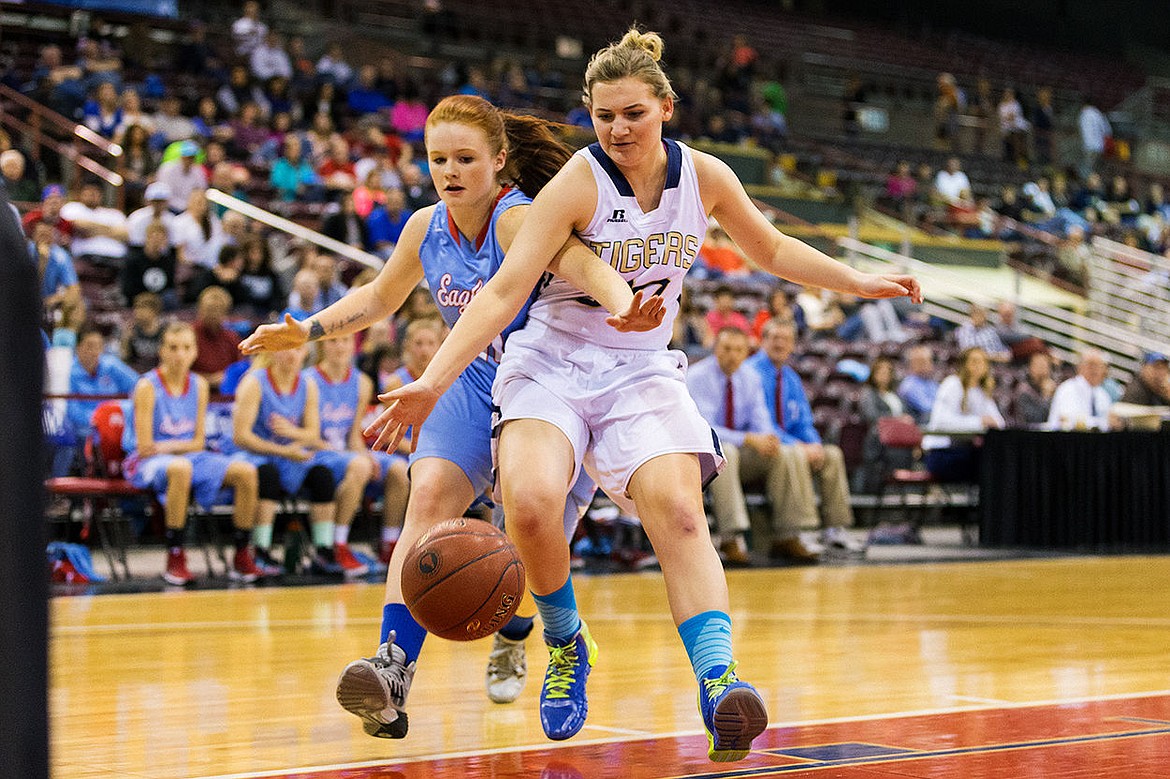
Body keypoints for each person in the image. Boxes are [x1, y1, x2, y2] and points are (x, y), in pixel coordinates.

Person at [364, 29, 919, 761]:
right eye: (603, 117)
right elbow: (502, 292)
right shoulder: (575, 185)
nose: (618, 129)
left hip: (639, 367)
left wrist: (859, 282)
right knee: (527, 505)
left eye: (632, 113)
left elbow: (775, 249)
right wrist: (432, 383)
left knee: (683, 514)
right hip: (551, 362)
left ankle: (718, 682)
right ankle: (566, 646)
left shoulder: (706, 176)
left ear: (665, 107)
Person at [239, 94, 660, 730]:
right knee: (429, 494)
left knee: (527, 544)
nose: (450, 171)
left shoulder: (520, 220)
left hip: (542, 384)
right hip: (463, 381)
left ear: (498, 161)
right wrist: (308, 331)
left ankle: (519, 636)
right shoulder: (424, 228)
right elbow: (381, 296)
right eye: (438, 159)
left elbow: (585, 265)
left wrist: (623, 303)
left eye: (465, 158)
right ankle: (391, 667)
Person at [122, 322, 263, 585]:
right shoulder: (147, 387)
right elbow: (145, 447)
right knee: (180, 468)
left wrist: (169, 445)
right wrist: (174, 447)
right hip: (145, 462)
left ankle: (242, 554)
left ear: (194, 352)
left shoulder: (198, 385)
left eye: (186, 348)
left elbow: (198, 442)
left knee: (246, 472)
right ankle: (175, 555)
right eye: (173, 348)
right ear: (161, 351)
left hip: (182, 454)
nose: (179, 354)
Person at [746, 320, 862, 554]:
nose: (779, 343)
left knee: (831, 454)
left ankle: (834, 529)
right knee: (796, 453)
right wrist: (799, 446)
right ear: (763, 340)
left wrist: (814, 444)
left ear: (792, 345)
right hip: (760, 445)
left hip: (789, 444)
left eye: (785, 339)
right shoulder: (750, 373)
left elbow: (803, 421)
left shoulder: (791, 378)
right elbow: (762, 424)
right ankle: (801, 530)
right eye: (774, 338)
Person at [686, 326, 799, 566]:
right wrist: (748, 439)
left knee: (785, 453)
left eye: (739, 350)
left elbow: (761, 419)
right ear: (715, 349)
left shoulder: (750, 377)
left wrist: (768, 438)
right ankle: (731, 536)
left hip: (738, 452)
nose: (733, 355)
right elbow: (707, 429)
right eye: (727, 349)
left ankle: (788, 534)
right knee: (726, 452)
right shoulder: (696, 376)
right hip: (699, 456)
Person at [231, 344, 340, 574]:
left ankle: (324, 549)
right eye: (285, 347)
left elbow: (313, 433)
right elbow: (241, 436)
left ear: (305, 353)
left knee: (322, 475)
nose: (291, 353)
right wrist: (283, 449)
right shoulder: (254, 382)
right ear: (271, 351)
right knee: (267, 475)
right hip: (255, 453)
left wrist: (291, 433)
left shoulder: (307, 384)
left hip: (289, 453)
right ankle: (260, 549)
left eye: (297, 348)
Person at [306, 333, 405, 578]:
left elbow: (353, 436)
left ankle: (389, 544)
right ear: (322, 346)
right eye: (333, 341)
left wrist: (366, 455)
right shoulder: (309, 380)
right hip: (316, 452)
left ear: (354, 346)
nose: (340, 346)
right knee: (359, 466)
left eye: (345, 341)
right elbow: (309, 434)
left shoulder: (362, 382)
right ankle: (338, 544)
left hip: (347, 452)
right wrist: (357, 458)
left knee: (398, 470)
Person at [922, 347, 1004, 483]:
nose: (978, 366)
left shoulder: (982, 391)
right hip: (942, 452)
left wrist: (987, 421)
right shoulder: (952, 384)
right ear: (964, 364)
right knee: (987, 462)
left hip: (966, 450)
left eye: (982, 362)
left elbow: (998, 422)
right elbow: (941, 423)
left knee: (998, 459)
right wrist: (979, 422)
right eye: (974, 361)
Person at [854, 355, 914, 494]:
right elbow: (872, 416)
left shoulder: (895, 394)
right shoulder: (868, 393)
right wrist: (898, 420)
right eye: (881, 372)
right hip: (878, 439)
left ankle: (903, 489)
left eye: (887, 373)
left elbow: (906, 414)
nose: (884, 376)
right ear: (873, 374)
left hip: (900, 439)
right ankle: (891, 490)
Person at [1048, 348, 1119, 431]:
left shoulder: (1102, 394)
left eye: (1099, 366)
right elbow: (1069, 421)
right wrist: (1102, 423)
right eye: (1091, 365)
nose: (1095, 370)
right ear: (1079, 367)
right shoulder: (1067, 389)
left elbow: (1109, 421)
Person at [1012, 350, 1057, 427]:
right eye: (1038, 366)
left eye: (1045, 366)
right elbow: (1037, 419)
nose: (1042, 370)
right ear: (1030, 368)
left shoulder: (1054, 387)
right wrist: (1046, 396)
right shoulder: (1023, 390)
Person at [898, 344, 939, 425]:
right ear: (913, 364)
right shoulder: (909, 385)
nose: (930, 365)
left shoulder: (932, 383)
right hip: (920, 426)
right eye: (924, 361)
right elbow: (927, 407)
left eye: (930, 361)